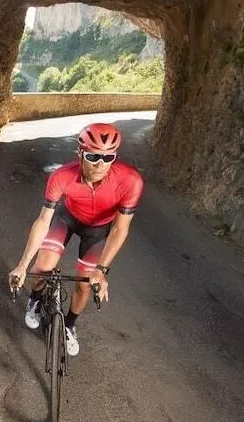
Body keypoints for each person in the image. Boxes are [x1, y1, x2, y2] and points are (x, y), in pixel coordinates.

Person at [8, 123, 143, 356]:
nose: (100, 164)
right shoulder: (61, 176)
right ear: (80, 153)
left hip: (98, 229)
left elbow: (120, 229)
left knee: (85, 284)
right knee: (43, 266)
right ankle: (36, 299)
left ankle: (69, 325)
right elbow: (43, 221)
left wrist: (102, 270)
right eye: (93, 156)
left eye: (108, 157)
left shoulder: (131, 181)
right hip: (67, 218)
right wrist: (22, 265)